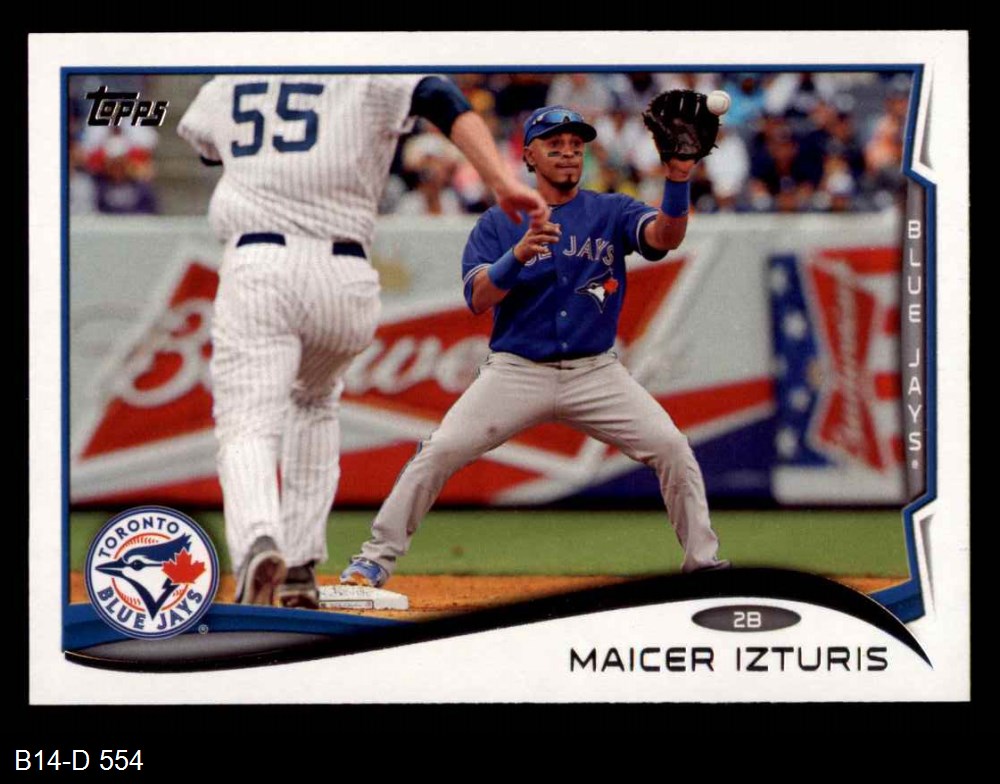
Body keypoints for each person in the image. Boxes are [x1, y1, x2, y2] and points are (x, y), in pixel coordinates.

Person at [177, 75, 548, 609]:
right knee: (315, 404)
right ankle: (300, 566)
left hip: (259, 262)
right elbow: (438, 95)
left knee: (247, 423)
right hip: (345, 271)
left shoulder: (232, 79)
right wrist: (500, 179)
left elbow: (207, 148)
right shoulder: (364, 69)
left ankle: (259, 540)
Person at [342, 105, 728, 589]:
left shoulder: (610, 210)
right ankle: (374, 560)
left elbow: (665, 236)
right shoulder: (499, 223)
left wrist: (677, 178)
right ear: (529, 156)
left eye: (575, 146)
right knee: (440, 451)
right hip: (517, 371)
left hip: (595, 373)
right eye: (555, 145)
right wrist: (518, 254)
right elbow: (479, 297)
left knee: (672, 448)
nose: (568, 153)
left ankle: (702, 567)